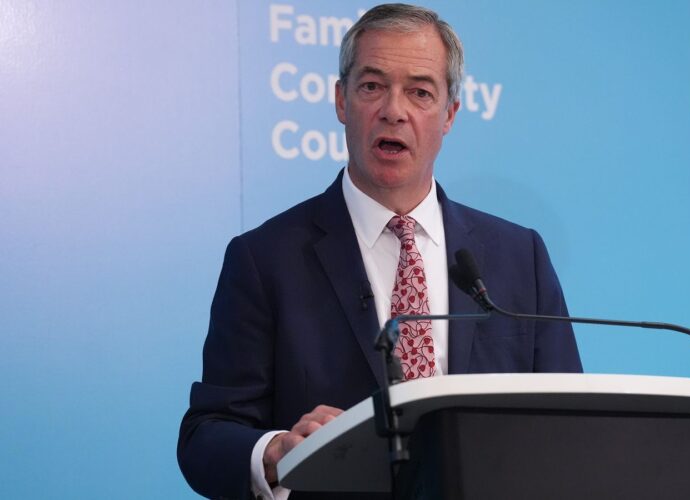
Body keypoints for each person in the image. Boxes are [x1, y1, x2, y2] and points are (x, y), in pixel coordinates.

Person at [177, 4, 582, 499]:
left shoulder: (521, 257)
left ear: (450, 113)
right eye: (372, 86)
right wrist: (277, 451)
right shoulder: (265, 260)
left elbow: (569, 423)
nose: (394, 109)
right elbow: (206, 435)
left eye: (420, 91)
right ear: (341, 102)